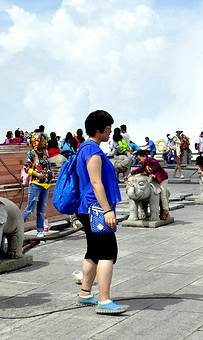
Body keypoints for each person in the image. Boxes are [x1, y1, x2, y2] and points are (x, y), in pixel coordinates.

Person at [73, 110, 127, 314]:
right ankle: (104, 300)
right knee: (107, 252)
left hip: (86, 207)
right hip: (95, 207)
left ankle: (85, 294)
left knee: (93, 251)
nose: (110, 131)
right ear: (98, 129)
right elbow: (96, 182)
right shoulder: (93, 151)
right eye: (108, 128)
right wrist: (107, 211)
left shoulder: (85, 148)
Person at [22, 132, 54, 237]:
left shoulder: (46, 153)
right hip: (36, 184)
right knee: (30, 208)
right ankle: (18, 227)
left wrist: (50, 173)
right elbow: (27, 168)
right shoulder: (32, 153)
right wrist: (37, 174)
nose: (45, 142)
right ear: (37, 142)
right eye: (43, 140)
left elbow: (47, 165)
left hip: (46, 184)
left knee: (41, 210)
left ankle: (40, 230)